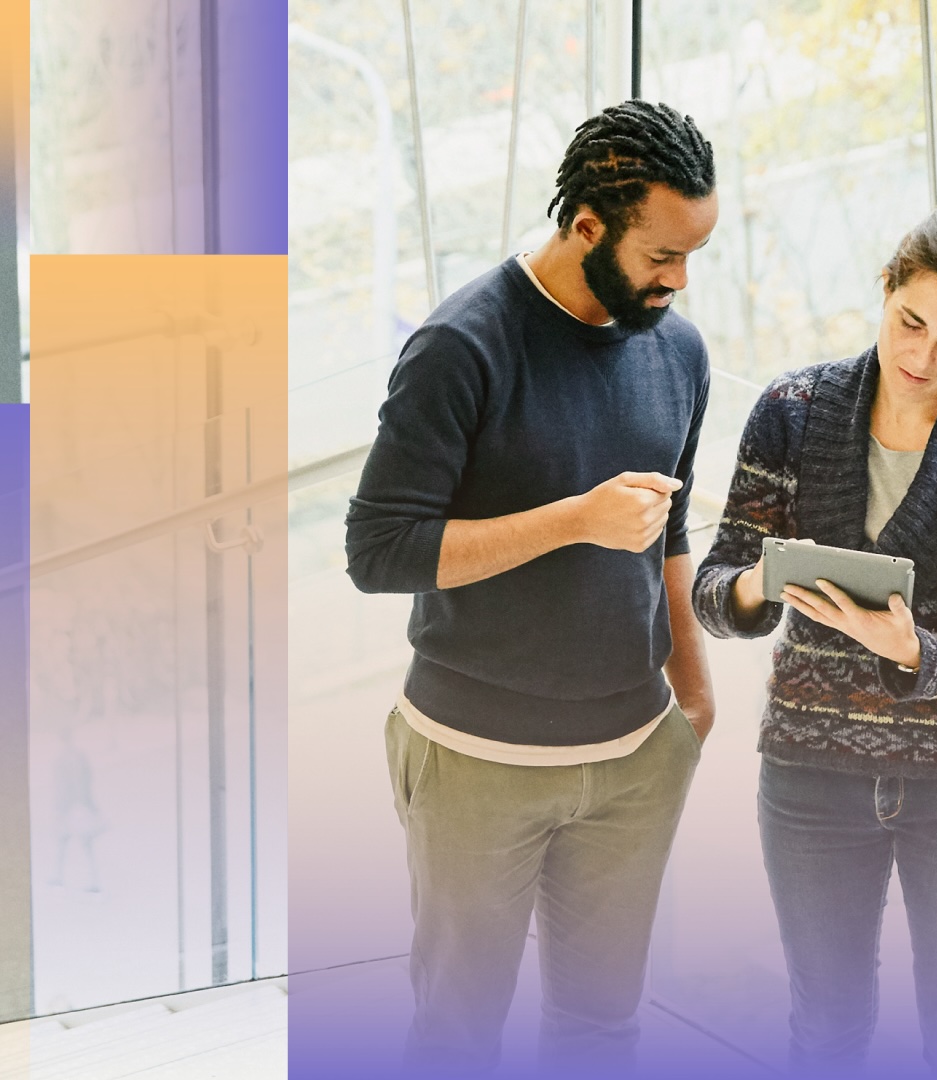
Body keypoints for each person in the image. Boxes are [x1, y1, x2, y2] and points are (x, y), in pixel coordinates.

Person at [343, 100, 719, 1073]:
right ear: (588, 226)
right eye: (660, 257)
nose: (678, 282)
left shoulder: (678, 350)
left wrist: (695, 687)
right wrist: (573, 521)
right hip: (478, 764)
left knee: (603, 1034)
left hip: (635, 756)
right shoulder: (462, 348)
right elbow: (378, 551)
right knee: (459, 1039)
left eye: (693, 254)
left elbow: (667, 528)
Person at [692, 192, 937, 1074]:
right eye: (910, 322)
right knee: (826, 1030)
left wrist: (911, 651)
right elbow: (712, 590)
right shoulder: (791, 409)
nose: (922, 357)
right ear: (886, 286)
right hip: (815, 776)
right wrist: (756, 583)